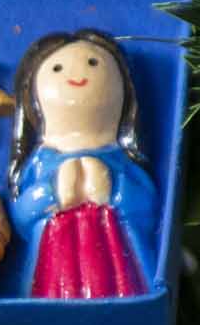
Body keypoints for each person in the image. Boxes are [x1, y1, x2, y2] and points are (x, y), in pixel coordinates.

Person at [8, 29, 156, 299]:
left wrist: (114, 188)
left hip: (118, 269)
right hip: (55, 272)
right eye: (57, 68)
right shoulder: (41, 162)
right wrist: (50, 194)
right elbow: (22, 215)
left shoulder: (121, 159)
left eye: (93, 63)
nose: (77, 75)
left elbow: (146, 208)